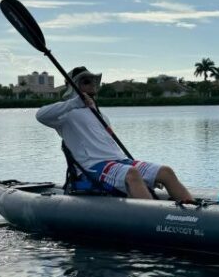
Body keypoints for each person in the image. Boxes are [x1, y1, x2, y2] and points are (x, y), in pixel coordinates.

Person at [36, 66, 194, 203]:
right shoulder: (65, 114)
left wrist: (146, 177)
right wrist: (74, 103)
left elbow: (110, 146)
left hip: (120, 160)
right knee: (132, 174)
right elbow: (40, 115)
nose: (92, 84)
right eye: (86, 81)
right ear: (73, 86)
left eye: (94, 81)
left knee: (166, 172)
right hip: (93, 166)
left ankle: (192, 211)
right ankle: (155, 217)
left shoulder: (101, 115)